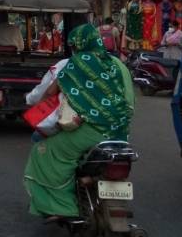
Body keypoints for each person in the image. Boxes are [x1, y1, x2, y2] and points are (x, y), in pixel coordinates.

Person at [24, 24, 135, 220]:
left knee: (46, 152)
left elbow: (50, 92)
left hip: (91, 131)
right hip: (120, 132)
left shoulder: (76, 63)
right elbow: (130, 104)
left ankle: (62, 206)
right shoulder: (119, 65)